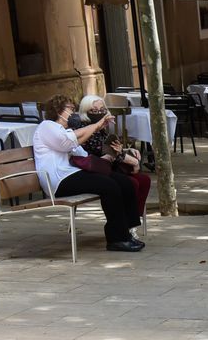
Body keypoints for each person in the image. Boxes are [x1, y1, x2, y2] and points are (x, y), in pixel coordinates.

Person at [32, 94, 143, 253]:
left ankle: (127, 230)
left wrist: (106, 155)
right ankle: (117, 239)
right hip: (57, 180)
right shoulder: (47, 126)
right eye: (70, 109)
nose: (73, 112)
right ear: (58, 110)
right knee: (109, 186)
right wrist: (97, 125)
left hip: (72, 174)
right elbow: (66, 144)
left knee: (122, 181)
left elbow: (81, 153)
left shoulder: (66, 131)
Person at [70, 94, 152, 220]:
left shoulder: (101, 128)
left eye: (102, 110)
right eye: (94, 110)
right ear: (85, 112)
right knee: (131, 183)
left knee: (144, 180)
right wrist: (131, 160)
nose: (99, 113)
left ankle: (135, 218)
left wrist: (125, 150)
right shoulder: (84, 128)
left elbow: (110, 150)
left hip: (107, 166)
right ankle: (129, 221)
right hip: (94, 169)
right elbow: (104, 152)